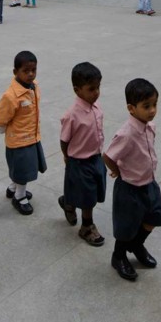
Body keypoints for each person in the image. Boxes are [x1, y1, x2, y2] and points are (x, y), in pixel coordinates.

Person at [103, 78, 161, 282]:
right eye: (146, 106)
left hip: (149, 182)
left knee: (153, 218)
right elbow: (108, 156)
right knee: (126, 226)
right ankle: (118, 256)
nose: (152, 110)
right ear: (131, 108)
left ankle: (137, 245)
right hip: (129, 188)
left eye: (154, 104)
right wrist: (118, 172)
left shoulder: (150, 126)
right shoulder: (126, 134)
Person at [58, 61, 106, 247]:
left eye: (98, 87)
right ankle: (87, 226)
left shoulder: (96, 108)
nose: (96, 93)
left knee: (94, 190)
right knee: (88, 197)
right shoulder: (72, 115)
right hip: (79, 160)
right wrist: (67, 157)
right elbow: (64, 139)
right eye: (91, 89)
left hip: (95, 157)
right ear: (77, 90)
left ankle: (68, 202)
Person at [0, 50, 45, 216]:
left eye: (33, 70)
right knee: (24, 170)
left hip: (32, 136)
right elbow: (2, 114)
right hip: (19, 140)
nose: (30, 74)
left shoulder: (34, 87)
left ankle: (13, 188)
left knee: (23, 168)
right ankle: (19, 196)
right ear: (15, 72)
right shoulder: (11, 95)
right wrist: (1, 126)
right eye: (26, 71)